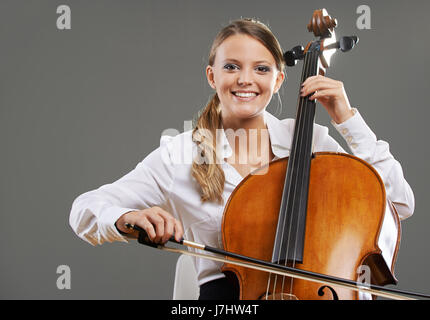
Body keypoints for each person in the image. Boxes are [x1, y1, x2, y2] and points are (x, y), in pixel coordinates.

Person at [69, 18, 415, 300]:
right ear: (212, 76)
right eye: (232, 66)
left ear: (279, 80)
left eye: (261, 69)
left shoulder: (312, 143)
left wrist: (347, 119)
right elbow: (86, 209)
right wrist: (128, 216)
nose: (245, 80)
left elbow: (398, 203)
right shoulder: (181, 154)